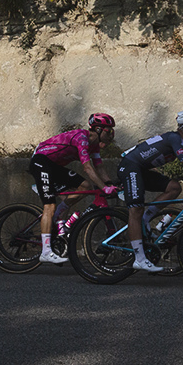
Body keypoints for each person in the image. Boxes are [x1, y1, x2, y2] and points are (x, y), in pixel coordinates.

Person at [117, 110, 183, 273]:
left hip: (141, 169)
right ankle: (139, 259)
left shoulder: (181, 143)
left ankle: (147, 218)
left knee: (174, 187)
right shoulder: (175, 138)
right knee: (135, 210)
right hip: (130, 166)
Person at [29, 113, 119, 264]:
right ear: (97, 130)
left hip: (54, 167)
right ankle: (45, 252)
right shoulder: (82, 138)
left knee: (85, 186)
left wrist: (109, 184)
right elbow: (88, 168)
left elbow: (100, 167)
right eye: (108, 131)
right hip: (41, 161)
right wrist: (104, 188)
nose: (111, 135)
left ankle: (59, 213)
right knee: (49, 205)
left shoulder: (94, 146)